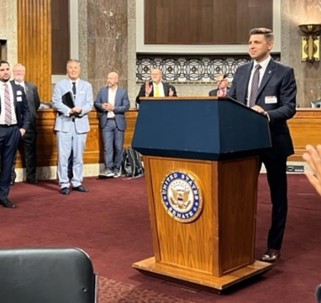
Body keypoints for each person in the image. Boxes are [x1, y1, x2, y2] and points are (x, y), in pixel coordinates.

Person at [228, 28, 297, 262]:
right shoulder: (241, 72)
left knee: (278, 196)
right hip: (245, 143)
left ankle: (274, 246)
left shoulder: (284, 73)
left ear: (269, 45)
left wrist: (266, 113)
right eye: (249, 42)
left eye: (257, 42)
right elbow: (231, 102)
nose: (251, 46)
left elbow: (289, 108)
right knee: (241, 195)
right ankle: (239, 243)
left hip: (274, 142)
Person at [52, 59, 93, 195]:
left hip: (80, 125)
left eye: (76, 68)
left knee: (78, 156)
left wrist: (81, 110)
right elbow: (56, 102)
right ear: (67, 69)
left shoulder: (87, 86)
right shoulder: (60, 85)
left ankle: (77, 182)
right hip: (64, 124)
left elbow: (89, 104)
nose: (73, 70)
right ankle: (64, 183)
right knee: (63, 156)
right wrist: (69, 110)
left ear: (79, 70)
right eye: (71, 68)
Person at [0, 60, 30, 208]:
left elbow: (26, 110)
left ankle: (3, 196)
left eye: (7, 69)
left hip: (13, 131)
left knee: (7, 165)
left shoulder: (17, 88)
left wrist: (22, 129)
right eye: (2, 70)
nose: (5, 72)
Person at [94, 72, 130, 178]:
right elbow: (96, 103)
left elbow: (126, 106)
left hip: (118, 122)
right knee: (107, 147)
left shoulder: (123, 92)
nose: (108, 80)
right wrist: (102, 106)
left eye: (111, 78)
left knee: (118, 147)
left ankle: (117, 168)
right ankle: (108, 168)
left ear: (116, 80)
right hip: (107, 122)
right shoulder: (103, 91)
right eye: (108, 78)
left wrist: (113, 108)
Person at [10, 63, 41, 184]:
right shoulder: (8, 86)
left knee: (31, 153)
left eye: (21, 71)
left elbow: (36, 104)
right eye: (16, 71)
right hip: (13, 127)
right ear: (13, 72)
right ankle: (10, 178)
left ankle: (31, 177)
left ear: (24, 72)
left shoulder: (31, 87)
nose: (19, 73)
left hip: (30, 126)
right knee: (10, 154)